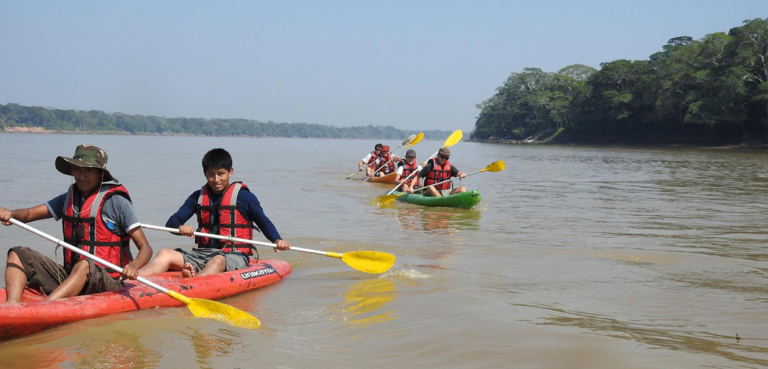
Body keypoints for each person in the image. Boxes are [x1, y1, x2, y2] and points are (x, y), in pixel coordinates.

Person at [0, 144, 153, 303]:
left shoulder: (117, 202)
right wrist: (11, 214)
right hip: (71, 276)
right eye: (77, 169)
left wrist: (134, 266)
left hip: (109, 281)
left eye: (89, 170)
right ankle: (12, 306)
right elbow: (29, 214)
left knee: (84, 265)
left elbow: (146, 248)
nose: (82, 176)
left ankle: (46, 307)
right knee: (18, 253)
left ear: (101, 173)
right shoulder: (68, 198)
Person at [140, 148, 290, 278]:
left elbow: (263, 222)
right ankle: (133, 279)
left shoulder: (245, 197)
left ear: (230, 172)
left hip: (234, 256)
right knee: (164, 253)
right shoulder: (197, 197)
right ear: (204, 173)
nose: (216, 179)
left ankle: (193, 282)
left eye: (221, 174)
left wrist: (277, 240)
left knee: (217, 260)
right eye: (211, 174)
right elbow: (172, 222)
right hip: (203, 254)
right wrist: (181, 228)